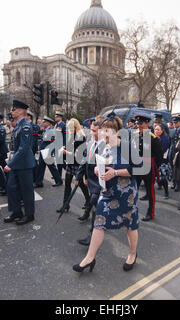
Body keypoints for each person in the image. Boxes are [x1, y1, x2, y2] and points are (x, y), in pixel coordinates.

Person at [73, 115, 139, 273]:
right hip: (108, 191)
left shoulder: (127, 146)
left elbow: (138, 169)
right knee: (98, 223)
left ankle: (132, 253)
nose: (103, 135)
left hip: (126, 193)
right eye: (101, 132)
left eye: (106, 132)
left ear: (116, 132)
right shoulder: (104, 146)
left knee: (129, 225)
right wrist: (98, 169)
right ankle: (89, 258)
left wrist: (115, 172)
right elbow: (100, 163)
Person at [3, 100, 36, 226]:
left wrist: (10, 164)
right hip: (17, 162)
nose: (12, 111)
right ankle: (16, 212)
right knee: (11, 188)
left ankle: (29, 214)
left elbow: (24, 148)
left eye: (14, 109)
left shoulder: (26, 125)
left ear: (21, 111)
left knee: (26, 190)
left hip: (24, 164)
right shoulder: (18, 125)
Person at [75, 117, 105, 246]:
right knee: (96, 207)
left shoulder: (106, 144)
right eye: (91, 130)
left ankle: (92, 234)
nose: (92, 133)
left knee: (95, 206)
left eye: (95, 131)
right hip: (91, 180)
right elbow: (85, 159)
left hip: (101, 182)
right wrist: (80, 176)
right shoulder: (90, 141)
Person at [56, 118, 90, 213]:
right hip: (70, 163)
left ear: (76, 127)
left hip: (77, 163)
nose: (69, 130)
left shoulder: (81, 137)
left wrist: (65, 151)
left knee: (80, 184)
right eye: (68, 128)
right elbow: (70, 147)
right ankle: (65, 205)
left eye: (71, 128)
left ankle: (88, 201)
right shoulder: (71, 136)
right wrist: (64, 148)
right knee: (67, 184)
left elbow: (78, 153)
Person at [134, 114, 163, 222]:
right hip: (136, 165)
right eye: (137, 123)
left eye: (141, 123)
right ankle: (131, 210)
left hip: (148, 166)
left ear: (147, 124)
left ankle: (150, 213)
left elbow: (159, 155)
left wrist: (154, 167)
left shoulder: (152, 137)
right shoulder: (135, 135)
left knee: (150, 191)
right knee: (133, 189)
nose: (139, 125)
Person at [34, 117, 63, 188]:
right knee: (41, 166)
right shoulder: (45, 130)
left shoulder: (52, 131)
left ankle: (59, 180)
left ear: (48, 123)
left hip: (47, 151)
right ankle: (39, 182)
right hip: (43, 150)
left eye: (44, 122)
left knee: (51, 166)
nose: (43, 123)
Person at [154, 124, 171, 199]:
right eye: (155, 129)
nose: (156, 131)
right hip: (154, 160)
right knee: (154, 176)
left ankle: (166, 192)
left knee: (163, 177)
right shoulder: (154, 138)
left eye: (158, 129)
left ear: (162, 130)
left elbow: (162, 150)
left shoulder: (165, 139)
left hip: (162, 161)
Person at [0, 112, 9, 191]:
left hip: (2, 151)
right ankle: (2, 185)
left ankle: (7, 185)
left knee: (5, 168)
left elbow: (1, 140)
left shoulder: (1, 128)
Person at [54, 111, 67, 177]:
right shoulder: (56, 125)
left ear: (60, 117)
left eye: (56, 117)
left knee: (60, 161)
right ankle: (58, 175)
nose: (55, 118)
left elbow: (65, 136)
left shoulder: (63, 125)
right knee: (59, 161)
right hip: (57, 145)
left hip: (61, 145)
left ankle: (68, 170)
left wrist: (64, 145)